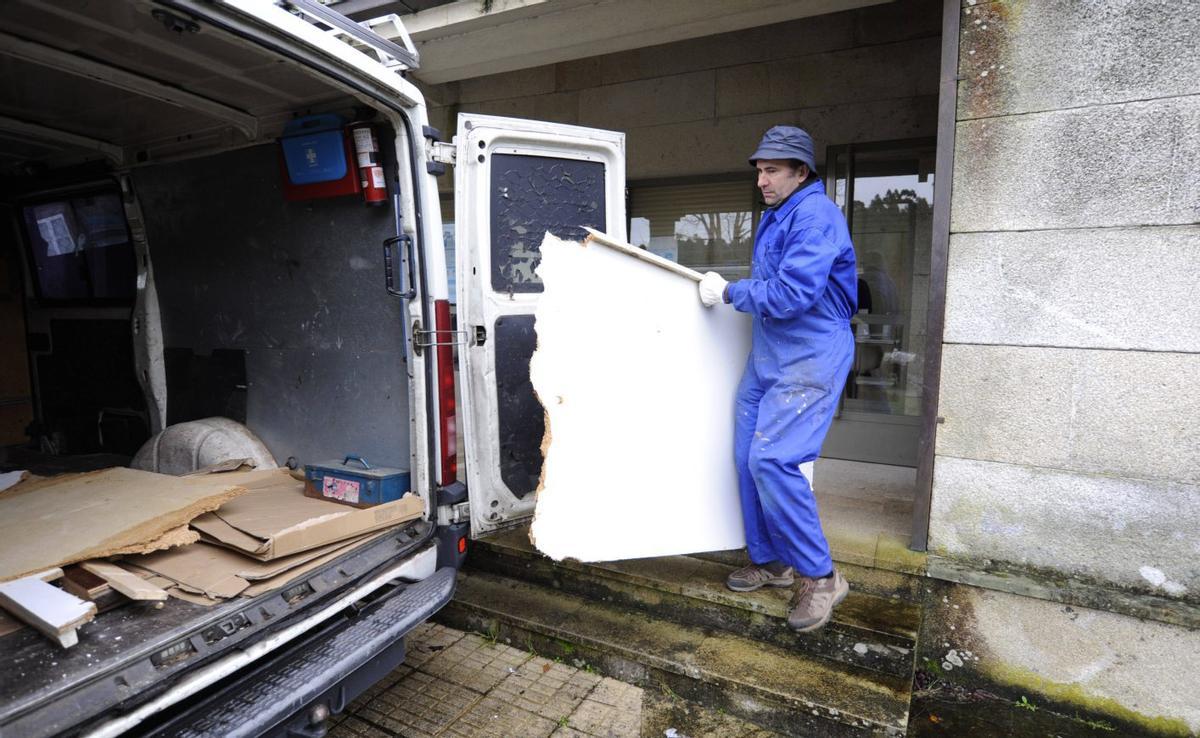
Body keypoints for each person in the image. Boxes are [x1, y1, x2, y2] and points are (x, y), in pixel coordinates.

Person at [697, 125, 857, 632]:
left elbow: (790, 295)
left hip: (810, 355)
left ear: (800, 172)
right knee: (748, 456)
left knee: (774, 458)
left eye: (773, 170)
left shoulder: (814, 216)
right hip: (769, 356)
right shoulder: (778, 214)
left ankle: (822, 576)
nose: (762, 179)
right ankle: (773, 561)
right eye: (760, 170)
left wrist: (728, 293)